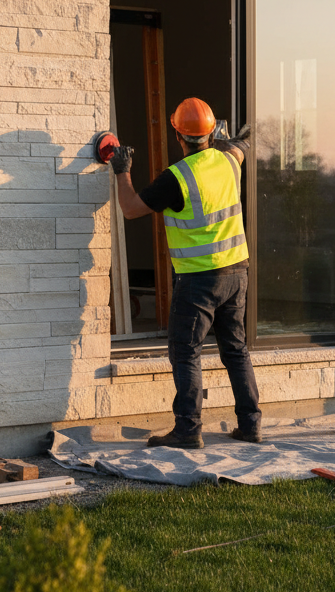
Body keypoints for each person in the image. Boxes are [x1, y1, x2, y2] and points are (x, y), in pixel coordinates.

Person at [107, 97, 262, 448]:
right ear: (211, 133)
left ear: (177, 134)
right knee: (235, 349)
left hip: (199, 279)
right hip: (237, 272)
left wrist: (122, 169)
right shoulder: (229, 161)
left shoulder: (176, 178)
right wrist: (237, 140)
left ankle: (188, 430)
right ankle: (250, 424)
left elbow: (130, 209)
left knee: (185, 351)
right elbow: (239, 149)